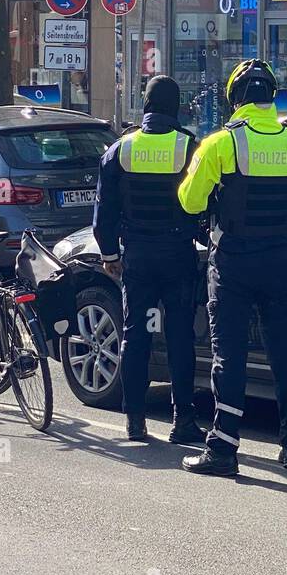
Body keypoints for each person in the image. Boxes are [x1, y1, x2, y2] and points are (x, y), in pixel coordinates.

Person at [178, 59, 287, 477]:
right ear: (272, 96)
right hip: (280, 259)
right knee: (284, 353)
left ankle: (223, 448)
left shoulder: (221, 144)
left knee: (230, 355)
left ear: (235, 98)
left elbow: (189, 201)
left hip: (234, 262)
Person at [94, 75, 204, 443]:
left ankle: (135, 420)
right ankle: (182, 420)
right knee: (179, 337)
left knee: (135, 334)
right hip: (178, 254)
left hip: (137, 255)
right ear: (175, 108)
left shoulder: (120, 149)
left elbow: (104, 211)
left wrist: (110, 253)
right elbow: (203, 202)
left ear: (146, 105)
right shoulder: (190, 148)